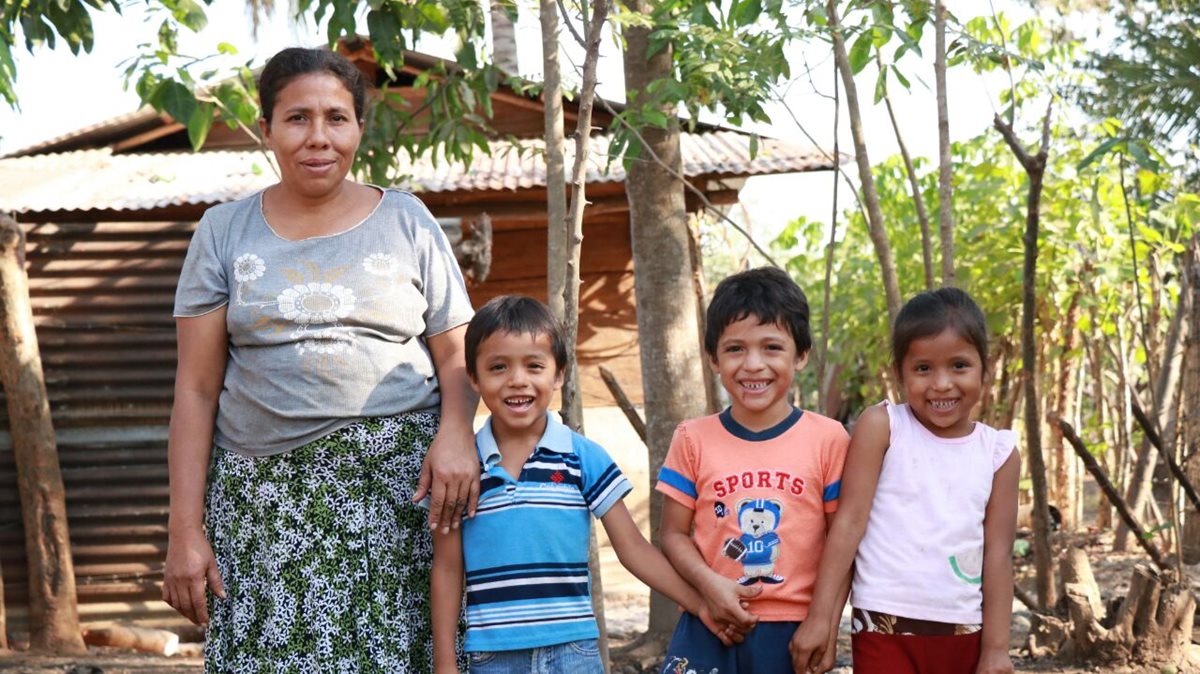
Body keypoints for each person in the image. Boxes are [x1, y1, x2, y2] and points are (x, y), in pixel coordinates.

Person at [162, 46, 480, 673]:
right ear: (267, 130)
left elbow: (457, 356)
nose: (318, 138)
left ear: (360, 126)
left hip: (398, 495)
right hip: (263, 506)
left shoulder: (407, 219)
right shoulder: (223, 232)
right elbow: (195, 392)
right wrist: (184, 530)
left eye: (337, 118)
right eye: (297, 118)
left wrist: (456, 436)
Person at [430, 295, 725, 674]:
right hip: (493, 658)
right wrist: (444, 664)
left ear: (559, 374)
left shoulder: (582, 456)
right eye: (498, 367)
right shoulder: (462, 470)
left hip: (574, 654)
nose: (517, 380)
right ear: (474, 378)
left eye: (534, 366)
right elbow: (447, 567)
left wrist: (699, 602)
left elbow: (633, 548)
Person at [791, 287, 1020, 674]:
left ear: (986, 367)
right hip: (882, 625)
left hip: (963, 630)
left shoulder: (998, 452)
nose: (942, 384)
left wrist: (996, 649)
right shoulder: (883, 427)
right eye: (923, 368)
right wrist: (821, 619)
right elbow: (848, 524)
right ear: (899, 372)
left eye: (959, 366)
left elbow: (998, 554)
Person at [656, 267, 851, 674]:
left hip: (795, 632)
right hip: (710, 622)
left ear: (801, 355)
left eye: (772, 347)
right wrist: (709, 586)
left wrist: (825, 623)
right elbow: (673, 534)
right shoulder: (692, 438)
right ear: (713, 358)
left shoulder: (829, 439)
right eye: (735, 349)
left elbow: (842, 544)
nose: (753, 365)